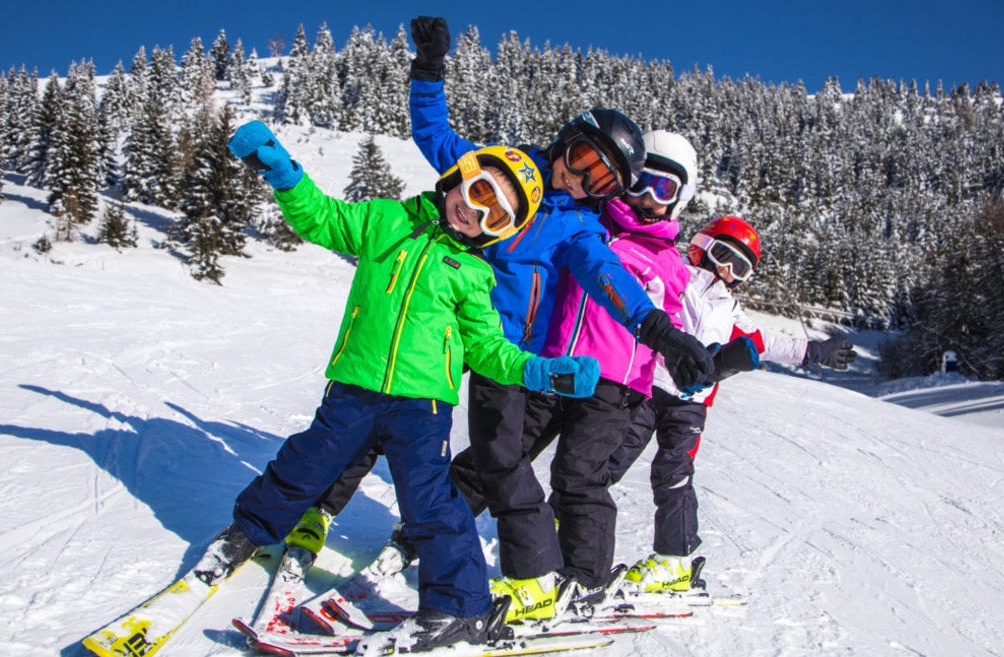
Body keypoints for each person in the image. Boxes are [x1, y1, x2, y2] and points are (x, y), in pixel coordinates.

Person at [195, 119, 601, 653]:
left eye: (496, 215)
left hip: (422, 404)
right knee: (305, 463)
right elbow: (322, 218)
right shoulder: (385, 220)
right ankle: (249, 531)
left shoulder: (472, 273)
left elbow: (487, 348)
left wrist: (537, 370)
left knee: (431, 503)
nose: (475, 212)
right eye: (479, 192)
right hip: (354, 386)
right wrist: (285, 176)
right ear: (460, 176)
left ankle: (460, 606)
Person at [403, 16, 717, 624]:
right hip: (440, 332)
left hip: (506, 352)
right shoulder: (501, 169)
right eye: (582, 159)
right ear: (565, 139)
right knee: (394, 426)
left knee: (507, 459)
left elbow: (608, 278)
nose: (578, 179)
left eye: (601, 180)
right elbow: (434, 134)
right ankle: (377, 524)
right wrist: (429, 70)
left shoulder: (580, 226)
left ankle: (542, 574)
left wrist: (660, 332)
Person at [606, 216, 857, 593]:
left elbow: (766, 343)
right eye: (724, 256)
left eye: (740, 268)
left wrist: (814, 351)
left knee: (674, 474)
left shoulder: (731, 310)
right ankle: (571, 525)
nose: (728, 271)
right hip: (646, 386)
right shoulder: (676, 278)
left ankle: (674, 561)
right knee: (611, 456)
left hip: (690, 403)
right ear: (701, 247)